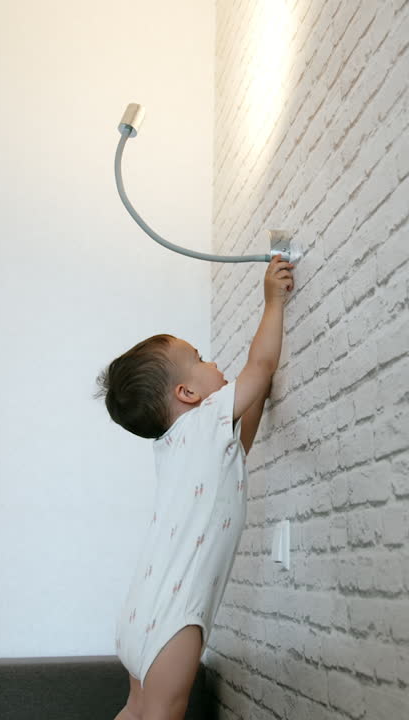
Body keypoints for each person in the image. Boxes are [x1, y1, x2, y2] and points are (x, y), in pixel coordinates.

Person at [94, 255, 295, 720]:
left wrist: (256, 394)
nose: (215, 362)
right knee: (163, 713)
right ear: (187, 395)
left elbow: (239, 447)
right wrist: (273, 302)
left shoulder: (178, 446)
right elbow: (260, 365)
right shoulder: (205, 423)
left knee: (138, 709)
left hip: (142, 611)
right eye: (201, 359)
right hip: (174, 617)